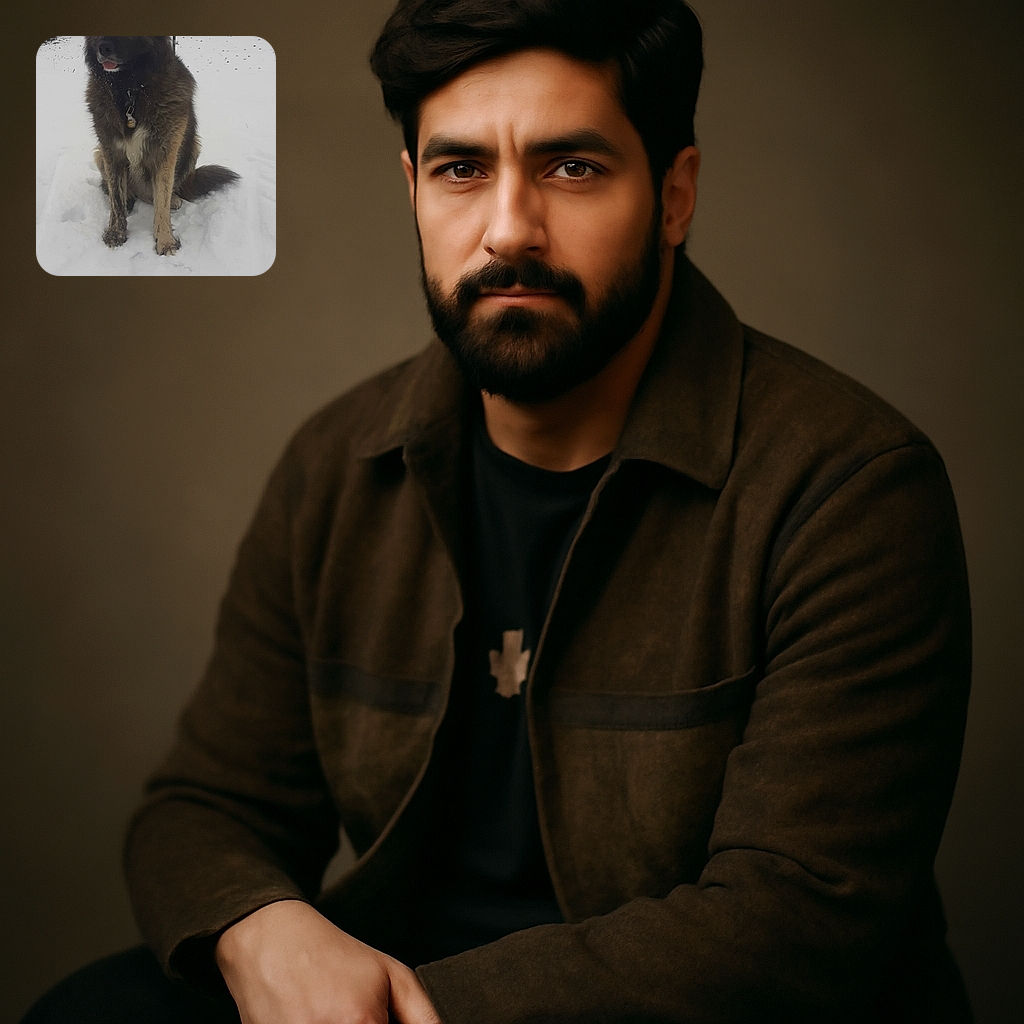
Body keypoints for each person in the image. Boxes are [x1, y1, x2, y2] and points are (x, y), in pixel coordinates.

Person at [24, 1, 972, 1022]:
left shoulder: (849, 486)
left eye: (572, 167)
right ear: (413, 190)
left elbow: (796, 921)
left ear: (674, 195)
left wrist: (411, 1011)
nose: (508, 228)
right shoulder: (335, 468)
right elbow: (206, 807)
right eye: (461, 168)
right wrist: (263, 927)